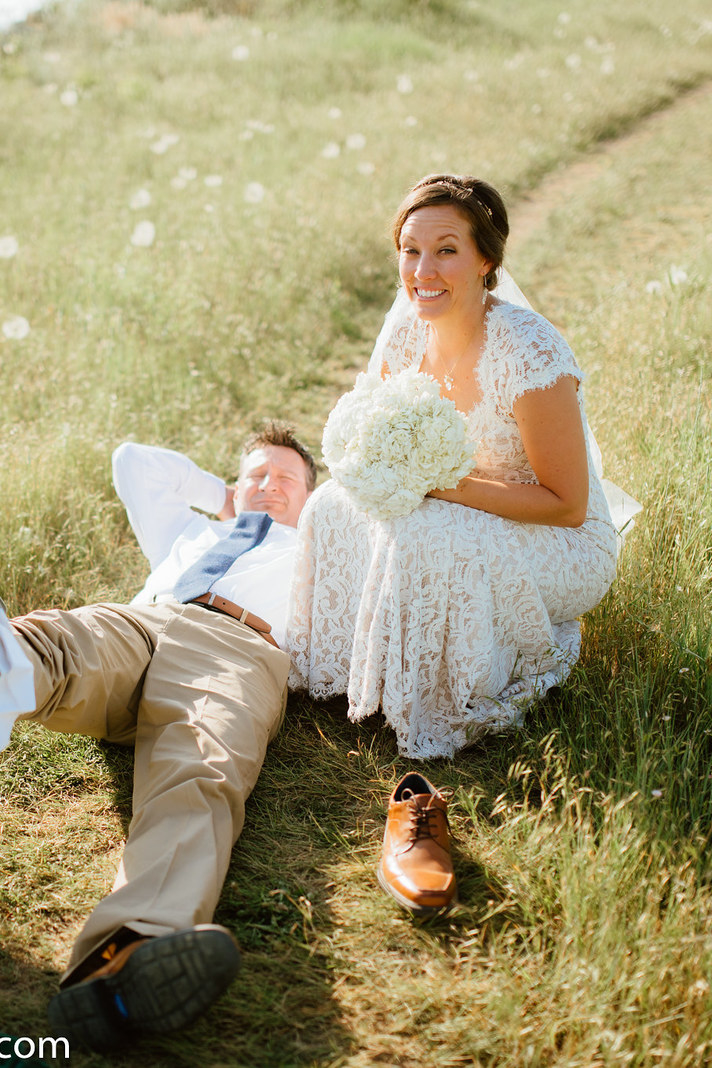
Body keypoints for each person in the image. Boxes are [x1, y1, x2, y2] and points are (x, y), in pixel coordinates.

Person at [285, 174, 620, 913]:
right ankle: (353, 674)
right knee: (333, 507)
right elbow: (373, 432)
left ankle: (443, 698)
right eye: (410, 251)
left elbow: (566, 505)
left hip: (555, 537)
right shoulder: (404, 325)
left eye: (445, 251)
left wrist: (438, 483)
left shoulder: (530, 355)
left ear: (485, 261)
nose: (422, 272)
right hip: (454, 503)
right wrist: (378, 471)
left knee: (432, 535)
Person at [0, 424, 314, 1052]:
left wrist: (294, 507)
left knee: (200, 775)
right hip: (145, 622)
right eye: (256, 475)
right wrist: (228, 497)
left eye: (286, 479)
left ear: (312, 497)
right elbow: (134, 463)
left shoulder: (323, 551)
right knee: (68, 639)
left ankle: (129, 950)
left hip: (236, 652)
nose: (269, 486)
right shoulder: (191, 535)